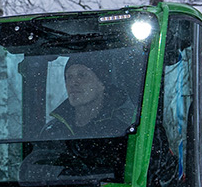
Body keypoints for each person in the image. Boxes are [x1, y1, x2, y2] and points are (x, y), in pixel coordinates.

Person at [26, 52, 132, 180]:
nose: (73, 83)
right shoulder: (53, 131)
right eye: (68, 77)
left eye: (82, 75)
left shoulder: (119, 130)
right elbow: (39, 173)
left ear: (102, 83)